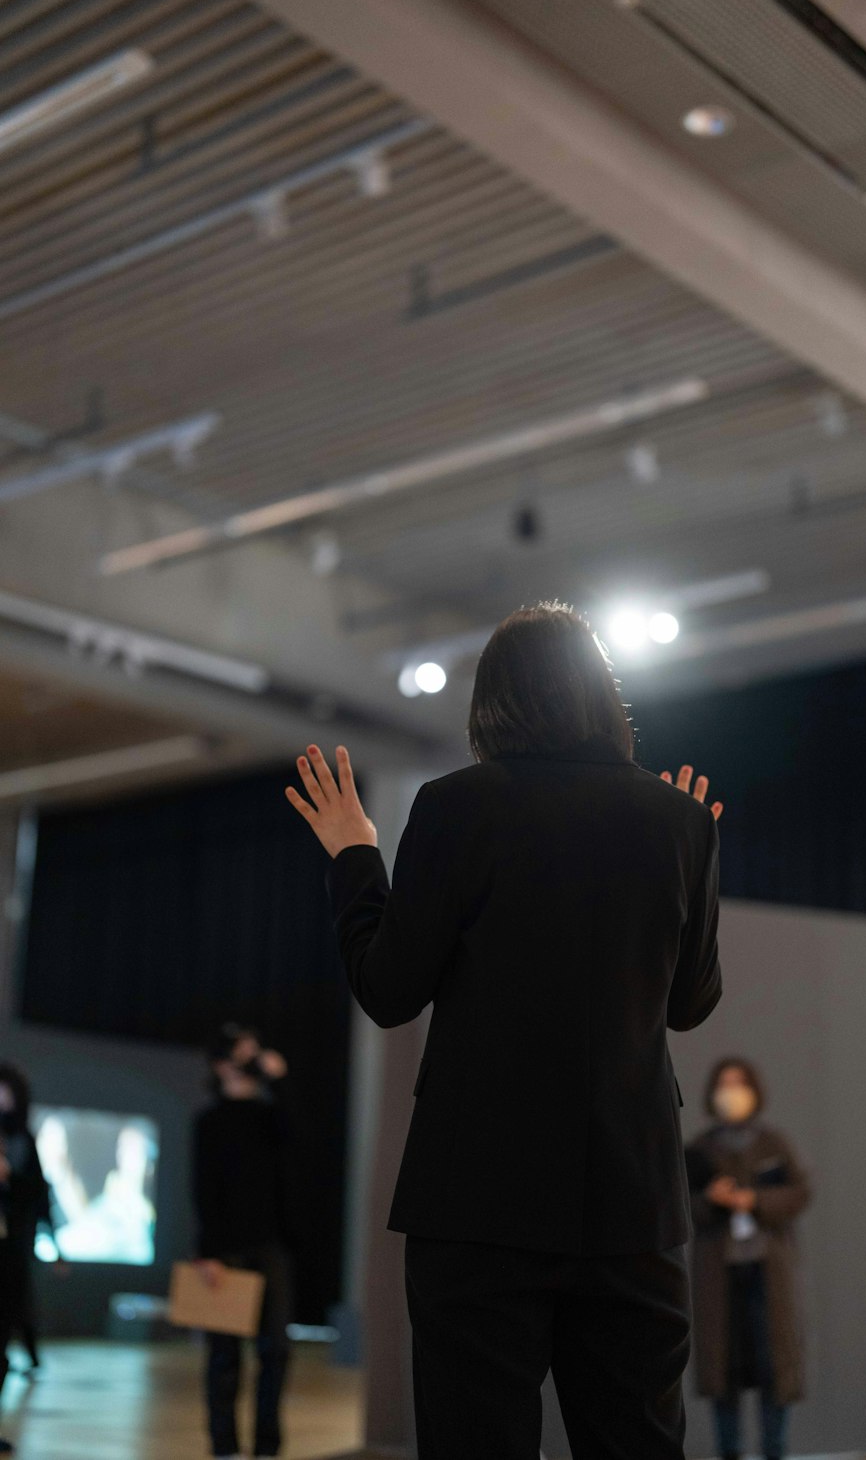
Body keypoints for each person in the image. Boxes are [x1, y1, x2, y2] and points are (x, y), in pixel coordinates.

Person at [286, 601, 723, 1460]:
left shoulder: (457, 807)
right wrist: (686, 861)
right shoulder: (679, 822)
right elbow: (689, 1003)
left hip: (477, 1197)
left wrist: (354, 856)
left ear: (492, 705)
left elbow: (389, 989)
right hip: (632, 1200)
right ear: (604, 694)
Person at [685, 1058, 811, 1460]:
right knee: (724, 1369)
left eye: (739, 1083)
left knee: (775, 1365)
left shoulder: (773, 1143)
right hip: (718, 1274)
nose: (731, 1092)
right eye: (724, 1084)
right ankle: (730, 1451)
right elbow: (680, 1207)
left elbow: (799, 1192)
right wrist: (712, 1201)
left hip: (767, 1270)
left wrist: (755, 1200)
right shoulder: (699, 1150)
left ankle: (775, 1450)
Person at [192, 1024, 294, 1460]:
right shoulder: (209, 1121)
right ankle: (225, 1448)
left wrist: (280, 1081)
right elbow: (204, 1190)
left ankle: (267, 1448)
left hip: (271, 1246)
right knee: (223, 1358)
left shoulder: (270, 1116)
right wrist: (208, 1253)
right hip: (226, 1251)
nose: (253, 1059)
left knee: (276, 1352)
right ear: (222, 1064)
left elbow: (300, 1143)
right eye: (244, 1053)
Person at [0, 1063, 54, 1454]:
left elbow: (37, 1194)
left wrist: (9, 1178)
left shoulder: (22, 1140)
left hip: (11, 1253)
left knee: (1, 1343)